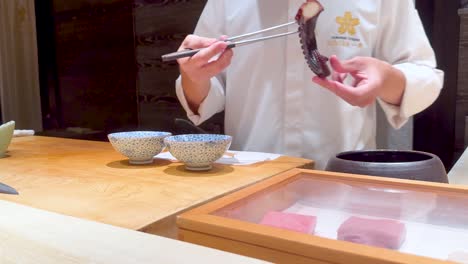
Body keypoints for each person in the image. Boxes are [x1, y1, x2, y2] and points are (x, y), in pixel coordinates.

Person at [174, 0, 444, 169]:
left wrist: (386, 79)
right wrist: (193, 77)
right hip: (249, 178)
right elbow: (206, 93)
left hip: (343, 183)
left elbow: (425, 75)